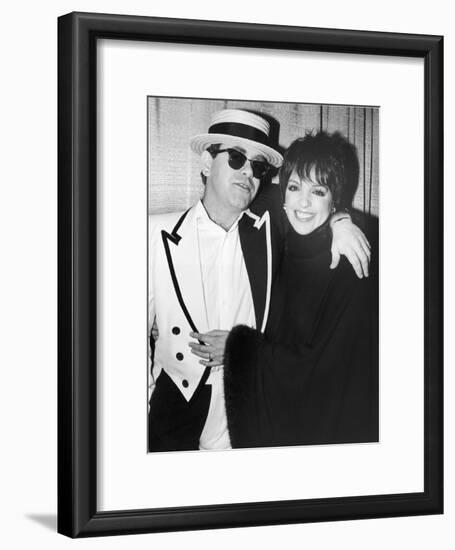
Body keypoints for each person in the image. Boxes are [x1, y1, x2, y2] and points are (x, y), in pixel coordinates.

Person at [149, 111, 371, 452]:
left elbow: (314, 195)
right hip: (175, 407)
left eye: (258, 166)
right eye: (236, 158)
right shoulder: (154, 233)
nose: (247, 172)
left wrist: (343, 220)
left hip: (248, 406)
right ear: (207, 163)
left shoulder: (269, 226)